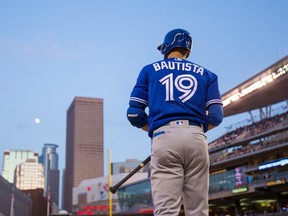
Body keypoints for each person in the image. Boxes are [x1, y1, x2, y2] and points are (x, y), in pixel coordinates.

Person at [127, 28, 223, 216]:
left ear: (166, 48)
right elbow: (216, 117)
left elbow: (134, 114)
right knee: (198, 211)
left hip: (164, 136)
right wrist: (193, 130)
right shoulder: (208, 75)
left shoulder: (149, 70)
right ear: (188, 51)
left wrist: (154, 131)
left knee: (166, 211)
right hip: (197, 136)